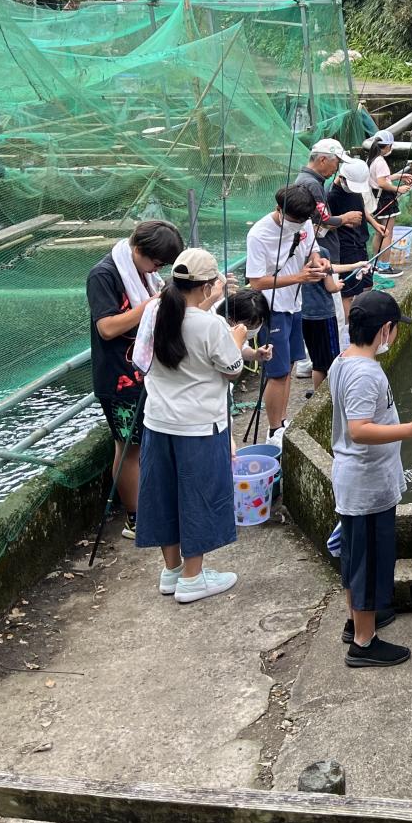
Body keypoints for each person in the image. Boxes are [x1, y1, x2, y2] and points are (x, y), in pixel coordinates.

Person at [329, 289, 412, 667]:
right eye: (394, 330)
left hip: (356, 480)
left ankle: (356, 620)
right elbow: (359, 429)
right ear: (386, 330)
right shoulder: (364, 373)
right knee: (370, 563)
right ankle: (363, 641)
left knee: (354, 558)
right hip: (366, 484)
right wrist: (411, 429)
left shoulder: (343, 360)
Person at [137, 249, 249, 604]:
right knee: (198, 497)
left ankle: (172, 571)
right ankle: (192, 578)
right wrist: (238, 340)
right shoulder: (210, 324)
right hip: (199, 427)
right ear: (204, 287)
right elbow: (232, 369)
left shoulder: (155, 311)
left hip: (157, 421)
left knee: (165, 495)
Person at [86, 219, 183, 540]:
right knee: (128, 447)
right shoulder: (104, 275)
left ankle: (150, 505)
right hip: (119, 380)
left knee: (145, 445)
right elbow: (107, 328)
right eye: (156, 262)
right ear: (138, 250)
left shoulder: (142, 272)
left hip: (145, 374)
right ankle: (135, 518)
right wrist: (151, 306)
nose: (157, 269)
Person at [245, 186, 327, 439]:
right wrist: (299, 277)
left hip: (295, 304)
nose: (300, 225)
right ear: (279, 210)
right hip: (272, 308)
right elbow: (256, 281)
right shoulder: (259, 234)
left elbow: (312, 248)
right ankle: (274, 429)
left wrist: (317, 261)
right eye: (295, 221)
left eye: (304, 221)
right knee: (278, 372)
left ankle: (281, 421)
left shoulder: (305, 221)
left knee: (289, 365)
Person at [292, 140, 357, 382]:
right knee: (333, 318)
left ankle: (311, 362)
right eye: (336, 162)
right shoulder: (311, 184)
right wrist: (345, 219)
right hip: (323, 258)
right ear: (322, 160)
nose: (336, 168)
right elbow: (322, 219)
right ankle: (325, 366)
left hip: (321, 259)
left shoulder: (308, 181)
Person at [329, 157, 382, 317]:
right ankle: (349, 328)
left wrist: (374, 223)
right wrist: (345, 220)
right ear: (342, 177)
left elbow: (362, 208)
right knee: (349, 291)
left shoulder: (354, 191)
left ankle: (365, 317)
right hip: (345, 248)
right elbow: (324, 225)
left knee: (367, 285)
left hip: (360, 242)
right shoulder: (331, 196)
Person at [365, 132, 412, 276]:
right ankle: (384, 266)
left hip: (376, 199)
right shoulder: (380, 161)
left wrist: (398, 176)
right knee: (387, 233)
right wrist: (399, 189)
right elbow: (382, 183)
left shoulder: (372, 159)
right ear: (387, 146)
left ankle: (376, 264)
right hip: (385, 199)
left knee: (379, 232)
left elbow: (380, 178)